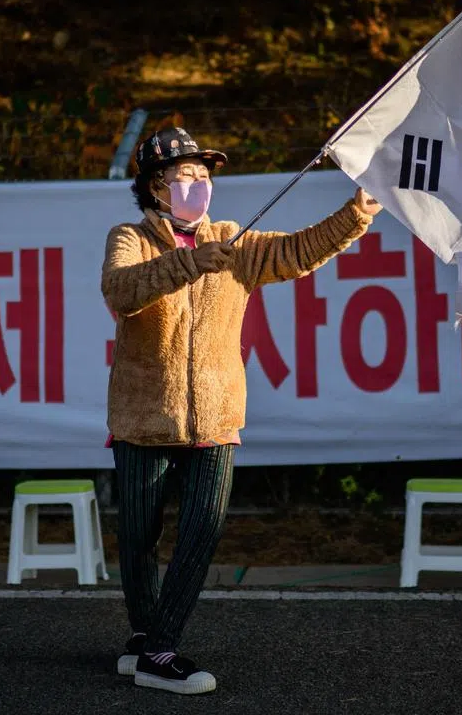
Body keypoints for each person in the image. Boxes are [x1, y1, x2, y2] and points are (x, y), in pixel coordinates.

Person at [101, 126, 381, 695]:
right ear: (156, 187)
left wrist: (355, 216)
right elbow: (120, 292)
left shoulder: (235, 239)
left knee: (203, 529)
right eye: (186, 176)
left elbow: (296, 251)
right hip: (143, 419)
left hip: (218, 417)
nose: (199, 185)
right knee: (137, 538)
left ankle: (158, 650)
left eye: (205, 176)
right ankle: (145, 636)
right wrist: (190, 263)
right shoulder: (129, 236)